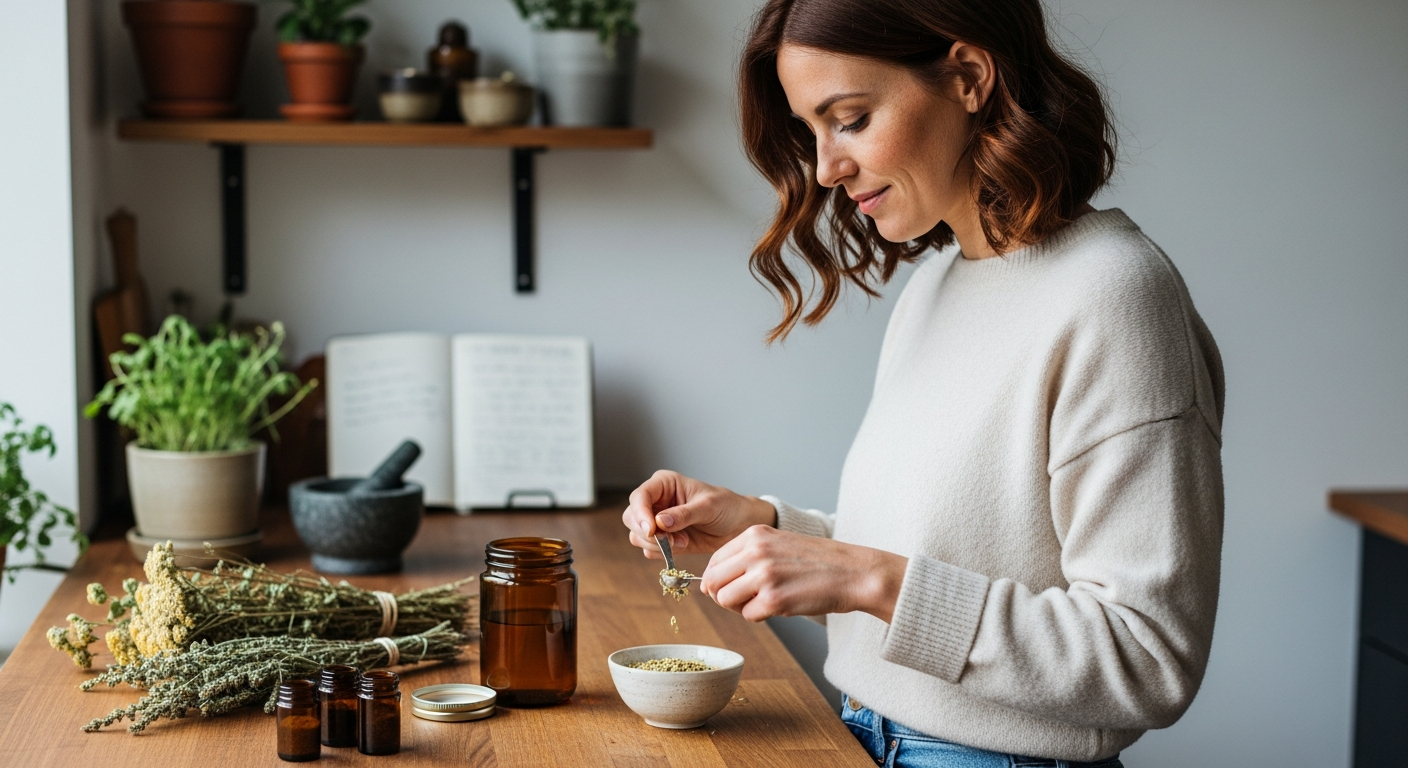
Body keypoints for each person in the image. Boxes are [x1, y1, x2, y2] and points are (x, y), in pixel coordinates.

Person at [622, 0, 1225, 765]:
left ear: (969, 78)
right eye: (813, 131)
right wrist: (766, 527)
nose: (826, 167)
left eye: (850, 118)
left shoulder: (1115, 296)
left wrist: (861, 577)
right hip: (863, 733)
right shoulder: (938, 283)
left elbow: (1146, 658)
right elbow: (942, 560)